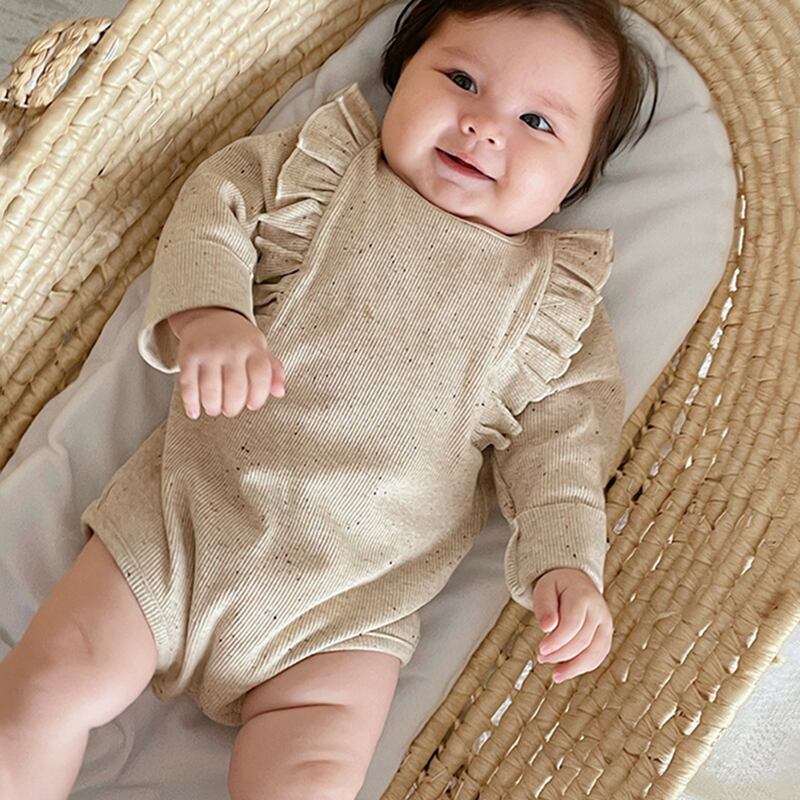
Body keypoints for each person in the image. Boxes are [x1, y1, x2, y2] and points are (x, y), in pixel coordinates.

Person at [0, 1, 658, 797]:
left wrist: (566, 562)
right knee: (45, 690)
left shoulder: (557, 307)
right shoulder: (328, 169)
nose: (484, 127)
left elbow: (564, 454)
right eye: (461, 80)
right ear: (401, 77)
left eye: (536, 122)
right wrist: (210, 315)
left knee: (307, 782)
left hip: (346, 614)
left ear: (573, 184)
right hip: (182, 531)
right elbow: (216, 206)